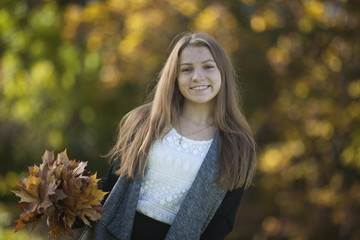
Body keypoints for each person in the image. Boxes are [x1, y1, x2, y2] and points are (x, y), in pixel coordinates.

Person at [79, 32, 257, 240]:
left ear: (223, 73)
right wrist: (70, 204)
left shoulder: (238, 145)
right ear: (175, 77)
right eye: (187, 69)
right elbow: (111, 184)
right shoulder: (145, 121)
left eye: (208, 66)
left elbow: (223, 221)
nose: (197, 76)